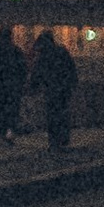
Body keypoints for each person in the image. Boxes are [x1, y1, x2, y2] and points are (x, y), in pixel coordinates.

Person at [29, 28, 77, 158]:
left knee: (52, 116)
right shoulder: (61, 52)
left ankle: (54, 142)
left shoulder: (44, 56)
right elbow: (71, 69)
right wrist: (72, 84)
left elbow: (37, 74)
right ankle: (62, 140)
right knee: (62, 115)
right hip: (63, 89)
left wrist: (33, 86)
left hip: (51, 90)